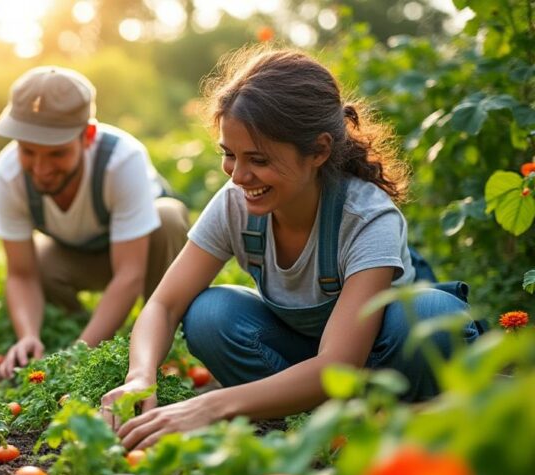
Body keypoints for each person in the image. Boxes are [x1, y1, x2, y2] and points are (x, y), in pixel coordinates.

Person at [100, 48, 481, 449]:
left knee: (432, 318)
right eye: (229, 155)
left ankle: (398, 417)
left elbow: (339, 364)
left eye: (258, 160)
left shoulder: (366, 217)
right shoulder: (236, 203)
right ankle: (319, 421)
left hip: (383, 361)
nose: (240, 176)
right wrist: (140, 377)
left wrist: (212, 406)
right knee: (209, 315)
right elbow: (164, 305)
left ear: (318, 151)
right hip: (306, 357)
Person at [0, 66, 190, 379]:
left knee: (168, 217)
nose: (40, 168)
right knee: (38, 258)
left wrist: (78, 355)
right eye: (28, 151)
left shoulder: (122, 160)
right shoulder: (6, 174)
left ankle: (159, 332)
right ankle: (86, 330)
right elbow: (21, 273)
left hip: (144, 255)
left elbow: (129, 274)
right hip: (82, 256)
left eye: (56, 154)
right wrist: (27, 334)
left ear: (88, 136)